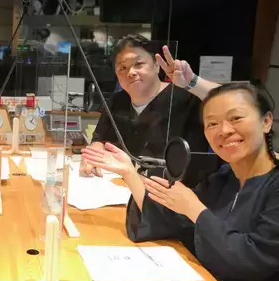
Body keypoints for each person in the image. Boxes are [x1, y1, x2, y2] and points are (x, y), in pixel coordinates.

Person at [81, 83, 279, 281]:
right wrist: (129, 173)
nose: (224, 130)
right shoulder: (222, 180)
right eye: (212, 123)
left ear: (266, 121)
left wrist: (196, 210)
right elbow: (176, 223)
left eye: (235, 118)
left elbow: (252, 258)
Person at [80, 34, 219, 187]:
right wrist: (93, 152)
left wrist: (192, 82)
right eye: (122, 68)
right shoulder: (117, 101)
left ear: (157, 66)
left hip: (178, 192)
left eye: (138, 64)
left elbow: (229, 99)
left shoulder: (188, 97)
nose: (130, 72)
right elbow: (100, 138)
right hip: (124, 188)